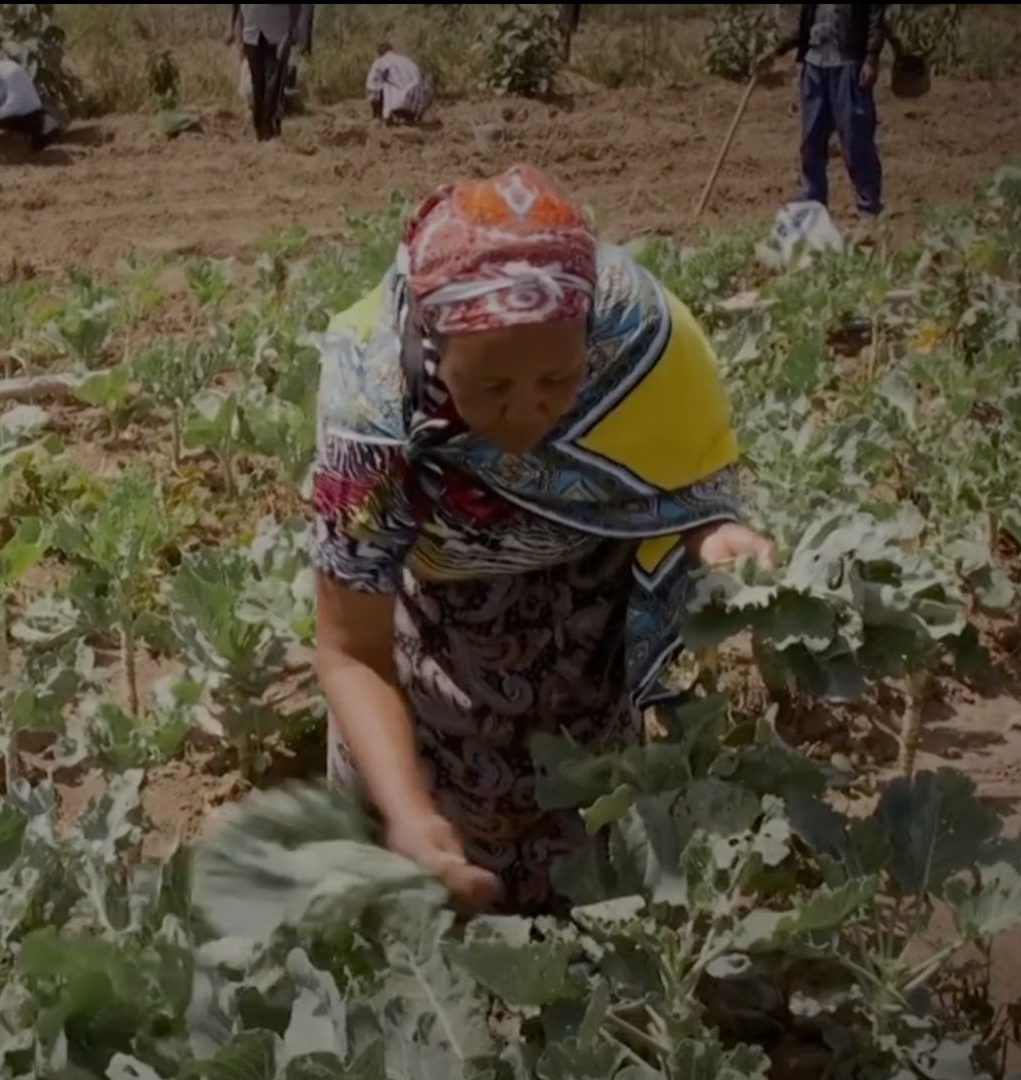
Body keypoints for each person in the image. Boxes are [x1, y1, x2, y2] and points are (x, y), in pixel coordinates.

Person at [312, 165, 774, 913]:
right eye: (492, 388)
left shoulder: (638, 340)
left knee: (589, 885)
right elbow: (349, 651)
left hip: (583, 656)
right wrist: (408, 812)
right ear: (434, 349)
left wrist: (716, 538)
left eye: (559, 381)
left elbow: (686, 486)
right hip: (428, 659)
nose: (528, 412)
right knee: (420, 918)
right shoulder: (373, 406)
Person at [758, 5, 886, 216]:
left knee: (856, 139)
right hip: (815, 66)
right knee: (811, 138)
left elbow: (876, 21)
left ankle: (868, 203)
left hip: (848, 64)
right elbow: (804, 27)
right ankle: (813, 195)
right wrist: (776, 51)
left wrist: (871, 59)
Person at [227, 4, 300, 141]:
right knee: (258, 83)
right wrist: (235, 30)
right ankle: (260, 129)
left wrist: (293, 26)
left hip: (278, 34)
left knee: (273, 81)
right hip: (252, 33)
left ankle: (269, 126)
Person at [0, 53, 55, 152]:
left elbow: (14, 105)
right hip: (3, 116)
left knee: (40, 126)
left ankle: (45, 130)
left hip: (27, 115)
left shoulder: (11, 71)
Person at [365, 43, 431, 127]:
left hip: (398, 105)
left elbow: (372, 85)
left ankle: (380, 118)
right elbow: (427, 88)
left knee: (379, 83)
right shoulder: (409, 61)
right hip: (417, 109)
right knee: (394, 80)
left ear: (380, 54)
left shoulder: (381, 61)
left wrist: (376, 110)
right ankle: (408, 119)